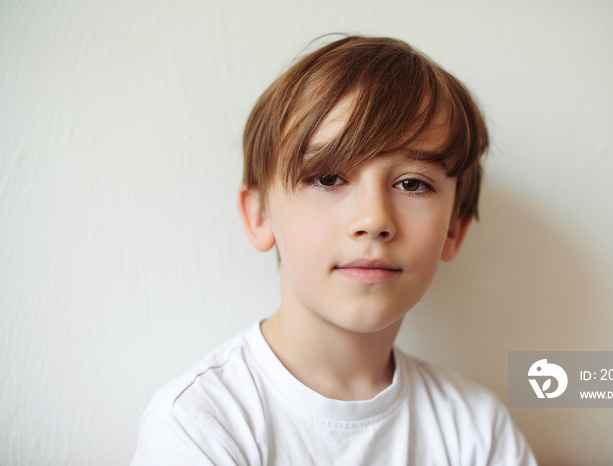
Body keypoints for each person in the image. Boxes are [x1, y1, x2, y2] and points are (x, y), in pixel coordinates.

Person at [132, 35, 537, 465]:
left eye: (413, 183)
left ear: (454, 228)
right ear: (260, 216)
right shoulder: (200, 426)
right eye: (327, 179)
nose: (374, 219)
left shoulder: (477, 431)